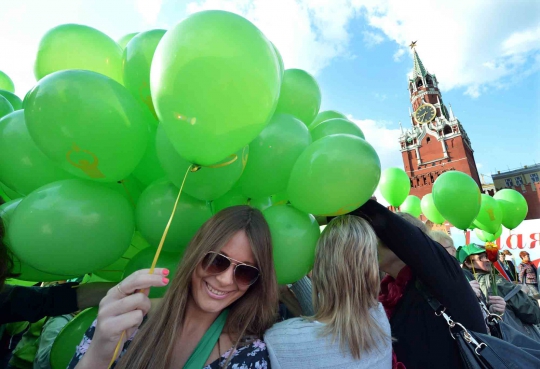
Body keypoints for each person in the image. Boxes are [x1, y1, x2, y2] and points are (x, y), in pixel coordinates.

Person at [70, 206, 278, 369]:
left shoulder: (247, 355)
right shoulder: (125, 318)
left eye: (245, 271)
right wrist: (99, 354)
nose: (225, 280)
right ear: (195, 254)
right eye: (216, 259)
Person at [350, 200, 486, 369]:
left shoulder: (442, 277)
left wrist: (356, 201)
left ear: (397, 244)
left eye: (371, 238)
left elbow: (397, 230)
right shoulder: (387, 296)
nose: (365, 246)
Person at [264, 215, 392, 368]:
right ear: (372, 266)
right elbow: (327, 320)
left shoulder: (278, 340)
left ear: (318, 265)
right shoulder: (379, 318)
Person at [459, 244, 540, 340]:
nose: (488, 259)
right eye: (481, 258)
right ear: (468, 263)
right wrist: (525, 293)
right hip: (517, 340)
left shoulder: (462, 285)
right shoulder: (497, 282)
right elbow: (533, 313)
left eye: (488, 256)